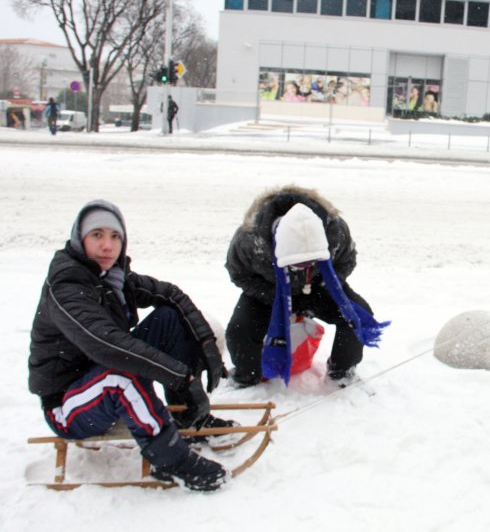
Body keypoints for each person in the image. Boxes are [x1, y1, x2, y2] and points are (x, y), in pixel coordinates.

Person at [28, 199, 235, 491]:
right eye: (97, 235)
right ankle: (171, 460)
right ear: (80, 239)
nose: (107, 246)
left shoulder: (111, 278)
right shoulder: (67, 288)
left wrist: (207, 348)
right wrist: (181, 376)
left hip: (98, 376)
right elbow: (109, 346)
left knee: (169, 318)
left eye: (115, 237)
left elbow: (172, 295)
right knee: (120, 375)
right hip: (68, 405)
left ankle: (186, 415)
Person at [224, 185, 389, 388]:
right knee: (239, 329)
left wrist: (323, 283)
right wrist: (274, 298)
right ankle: (246, 376)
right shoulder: (250, 240)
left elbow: (347, 261)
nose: (306, 267)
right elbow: (239, 274)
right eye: (299, 264)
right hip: (271, 291)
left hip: (320, 287)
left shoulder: (335, 231)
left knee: (357, 315)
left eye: (313, 262)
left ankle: (342, 372)